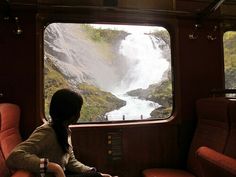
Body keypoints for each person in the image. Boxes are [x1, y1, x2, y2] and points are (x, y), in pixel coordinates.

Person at [6, 89, 112, 177]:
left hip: (63, 173)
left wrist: (95, 172)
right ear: (72, 114)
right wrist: (53, 167)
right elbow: (14, 156)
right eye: (78, 110)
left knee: (95, 175)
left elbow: (70, 162)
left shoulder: (64, 130)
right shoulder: (47, 132)